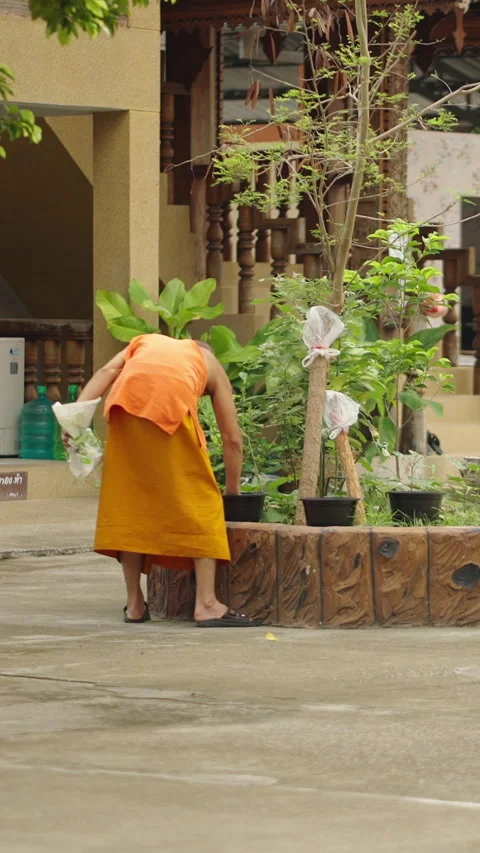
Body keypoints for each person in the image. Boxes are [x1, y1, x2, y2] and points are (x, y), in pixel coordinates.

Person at [72, 334, 262, 628]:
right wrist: (232, 492)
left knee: (131, 504)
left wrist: (73, 422)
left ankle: (135, 605)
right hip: (169, 409)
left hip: (123, 410)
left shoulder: (144, 342)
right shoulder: (208, 360)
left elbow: (107, 371)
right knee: (202, 500)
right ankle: (207, 605)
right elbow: (232, 438)